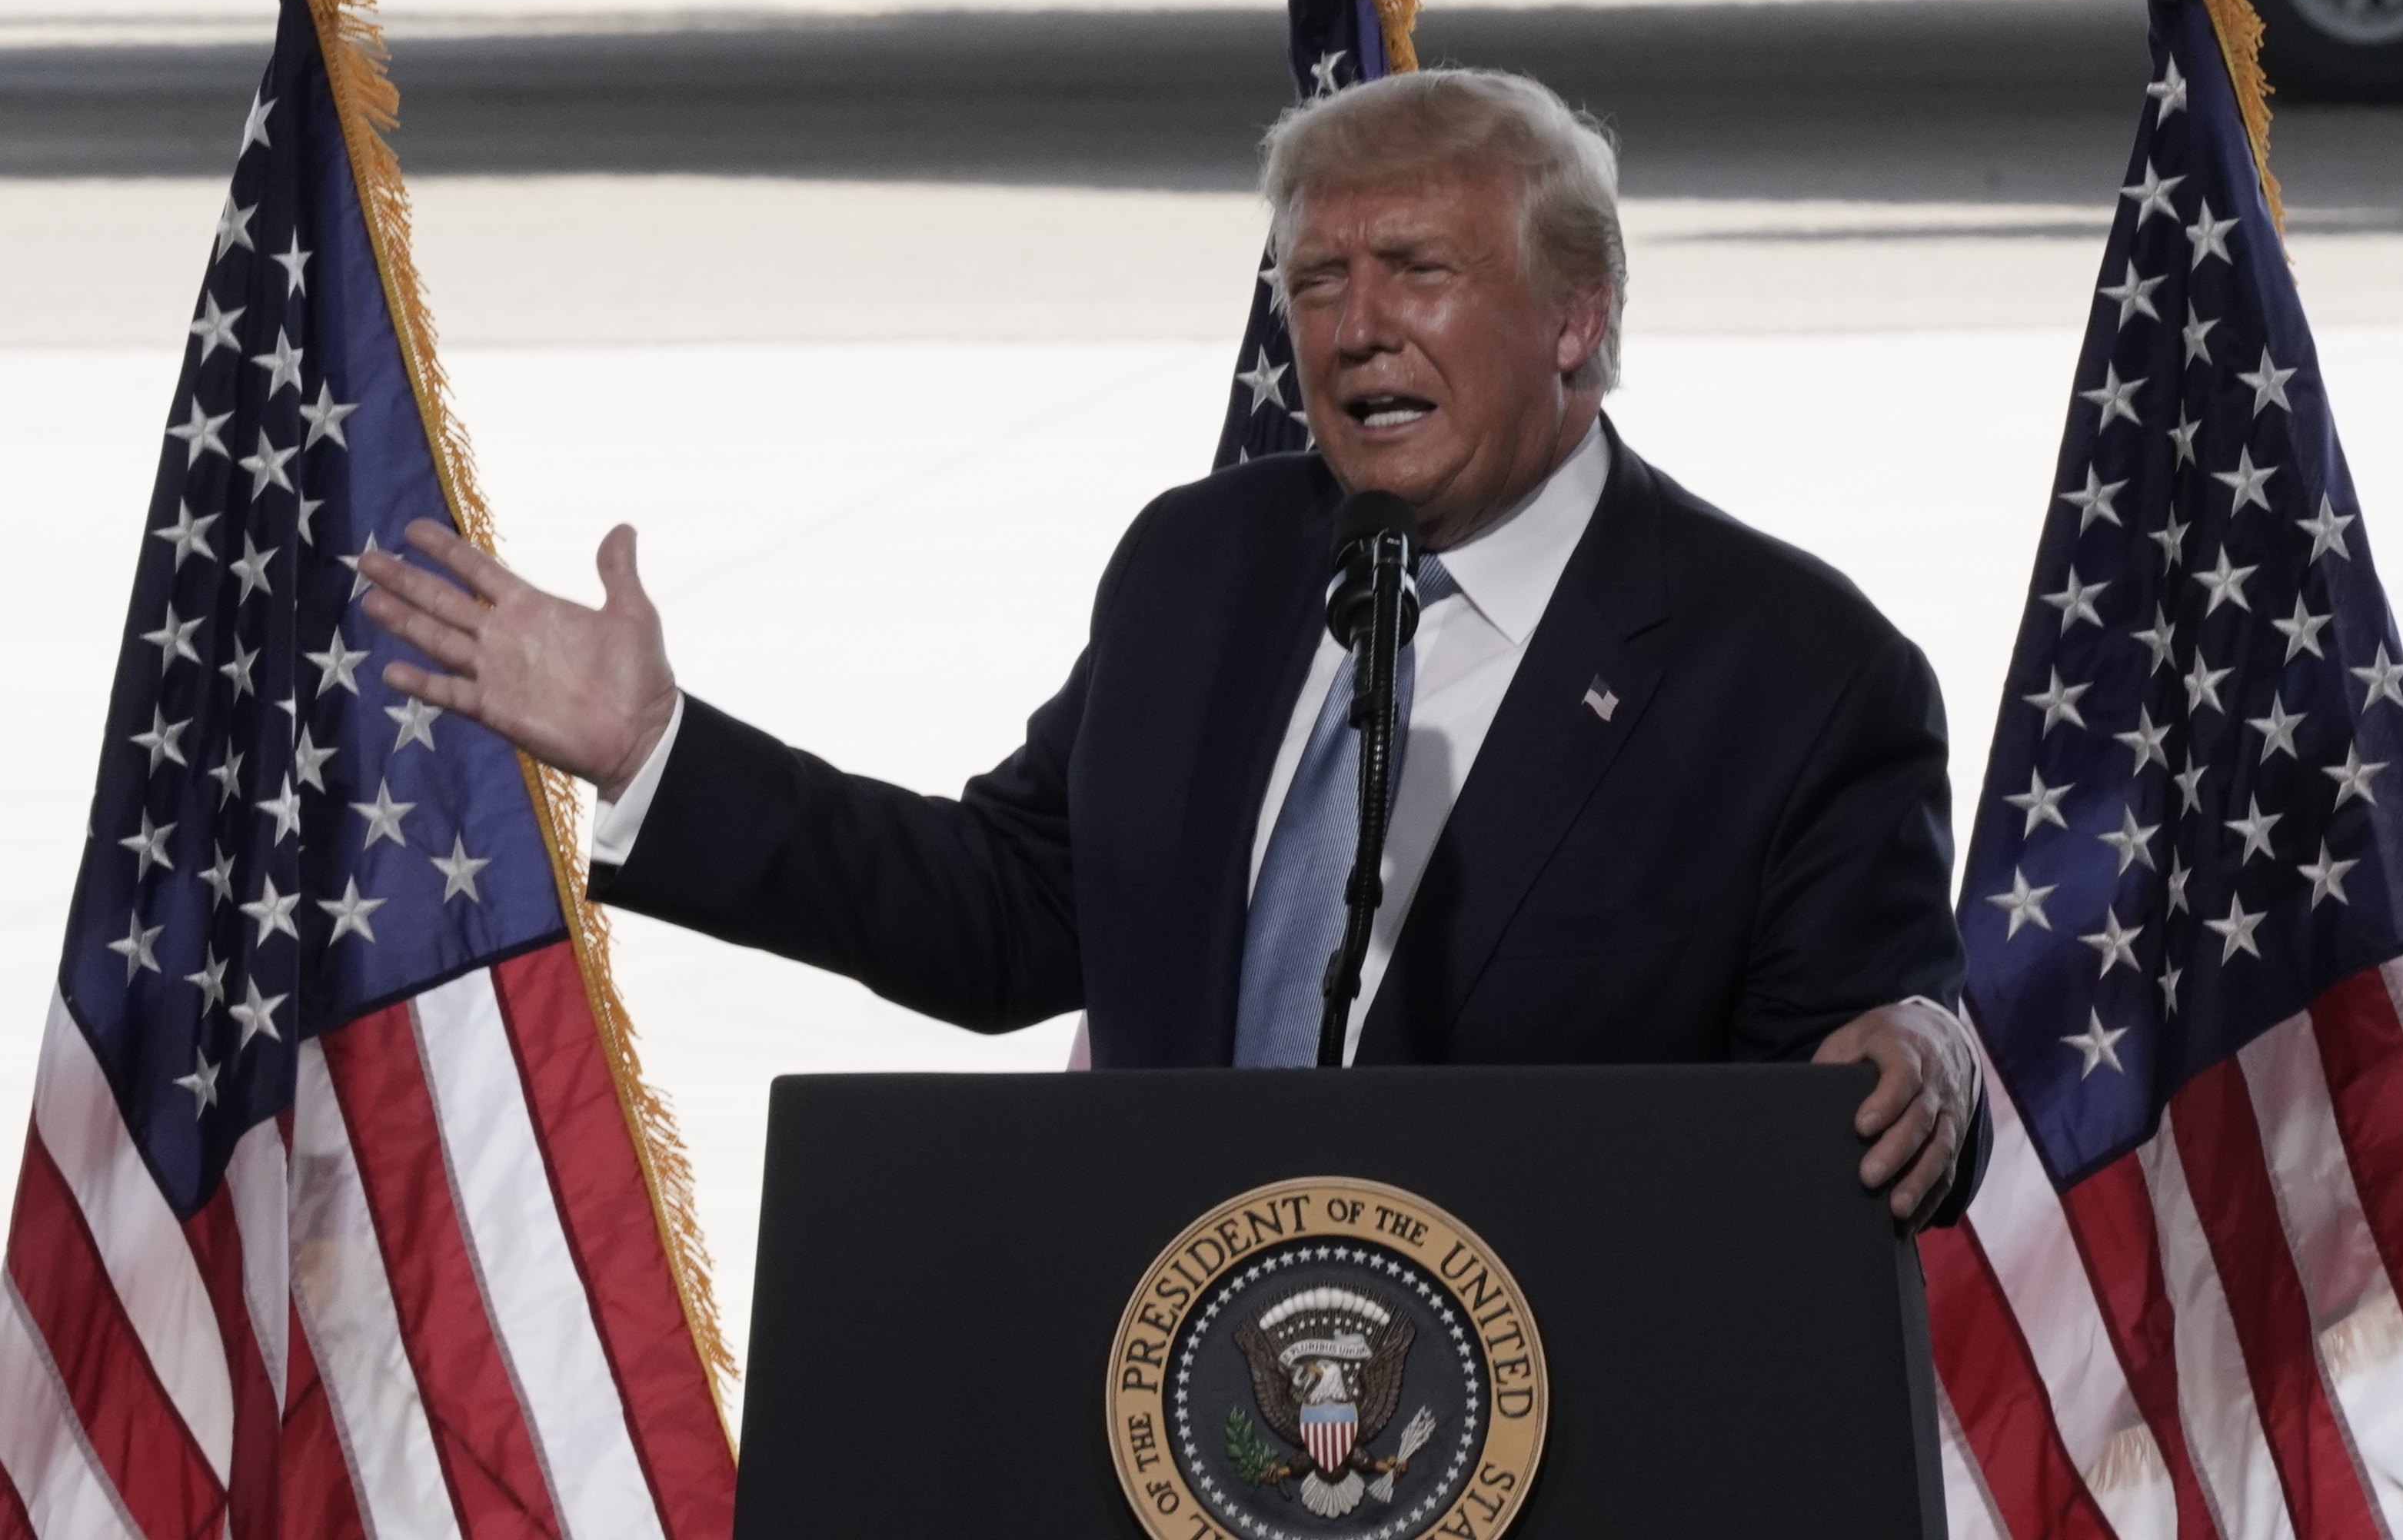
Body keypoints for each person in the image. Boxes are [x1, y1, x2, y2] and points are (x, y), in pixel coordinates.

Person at [359, 68, 1986, 1224]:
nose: (1354, 328)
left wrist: (1930, 1066)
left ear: (1577, 318)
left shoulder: (1795, 673)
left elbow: (1867, 1092)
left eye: (1417, 270)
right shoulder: (1204, 567)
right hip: (1172, 1401)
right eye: (1317, 281)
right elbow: (1005, 914)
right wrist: (661, 754)